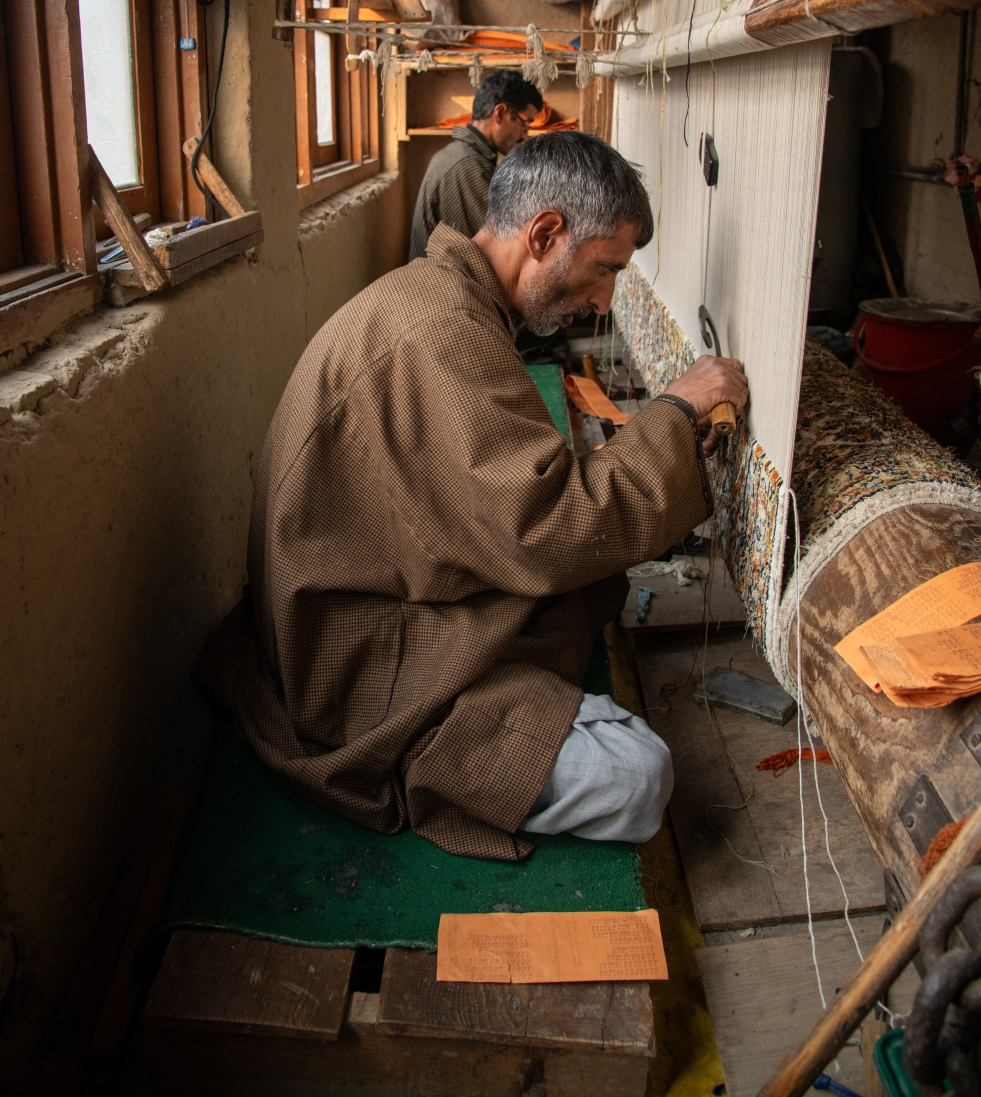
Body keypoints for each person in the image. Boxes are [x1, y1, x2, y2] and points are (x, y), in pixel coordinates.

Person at [200, 132, 748, 862]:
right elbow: (548, 529)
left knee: (582, 594)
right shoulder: (443, 331)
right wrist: (674, 412)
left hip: (364, 602)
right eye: (606, 269)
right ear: (544, 233)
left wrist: (666, 440)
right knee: (637, 777)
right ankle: (455, 751)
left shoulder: (443, 299)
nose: (604, 301)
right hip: (352, 664)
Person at [407, 68, 541, 261]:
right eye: (525, 123)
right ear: (500, 113)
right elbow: (498, 246)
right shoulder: (466, 165)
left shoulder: (468, 156)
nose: (526, 134)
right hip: (442, 280)